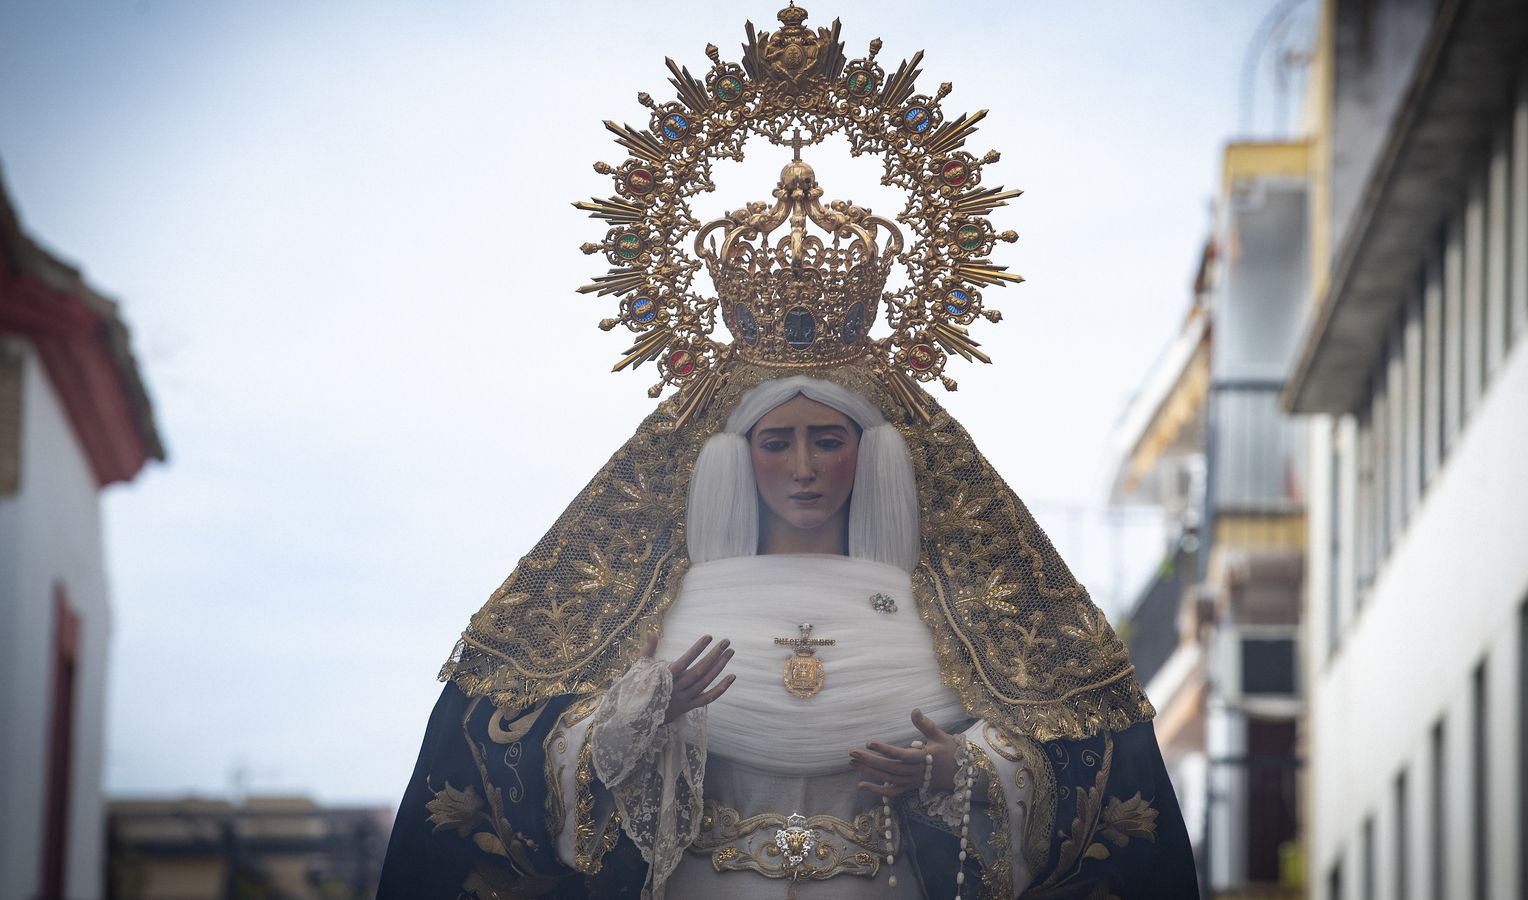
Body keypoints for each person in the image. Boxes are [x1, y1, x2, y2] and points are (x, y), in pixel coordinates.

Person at [378, 7, 1199, 897]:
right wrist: (643, 716)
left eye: (827, 440)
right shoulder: (664, 607)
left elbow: (1076, 766)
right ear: (737, 458)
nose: (804, 467)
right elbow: (526, 767)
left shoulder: (944, 611)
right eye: (777, 442)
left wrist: (960, 772)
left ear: (869, 453)